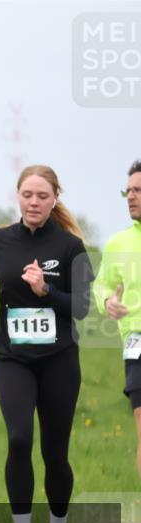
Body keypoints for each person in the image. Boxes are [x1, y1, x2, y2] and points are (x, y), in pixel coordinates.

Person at [0, 165, 95, 523]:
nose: (34, 202)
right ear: (18, 197)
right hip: (12, 358)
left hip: (59, 360)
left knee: (55, 450)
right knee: (20, 438)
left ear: (55, 199)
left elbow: (80, 307)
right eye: (27, 194)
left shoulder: (70, 247)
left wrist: (46, 291)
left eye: (42, 196)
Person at [94, 159, 141, 477]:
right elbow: (102, 286)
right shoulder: (118, 243)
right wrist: (108, 301)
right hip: (137, 343)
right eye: (128, 190)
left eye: (138, 190)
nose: (131, 196)